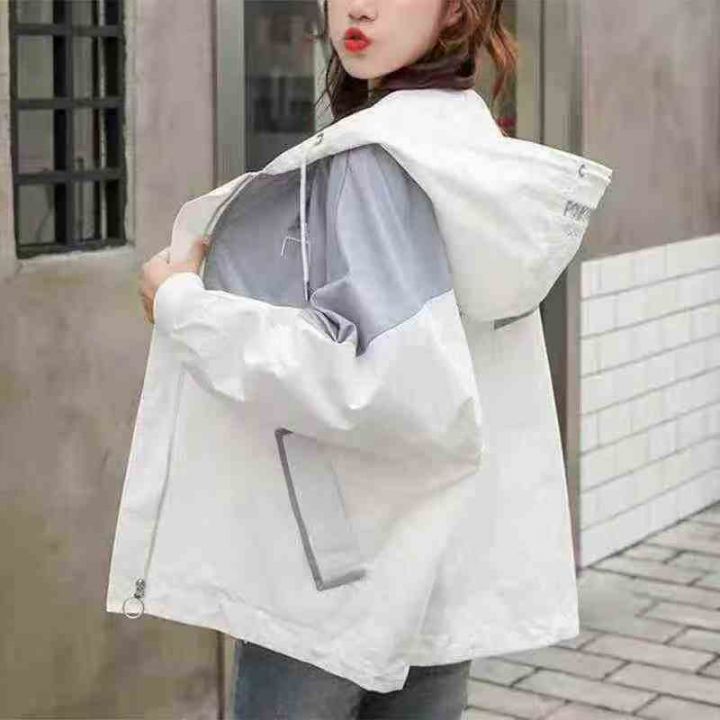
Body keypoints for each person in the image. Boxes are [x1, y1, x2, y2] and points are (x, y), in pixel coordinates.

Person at [106, 0, 613, 718]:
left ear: (456, 10)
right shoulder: (468, 147)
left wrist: (184, 306)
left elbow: (387, 383)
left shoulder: (376, 160)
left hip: (335, 575)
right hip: (437, 560)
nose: (359, 6)